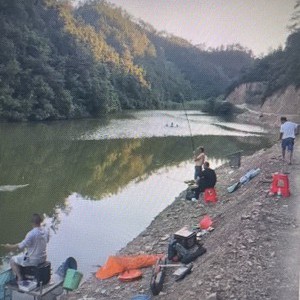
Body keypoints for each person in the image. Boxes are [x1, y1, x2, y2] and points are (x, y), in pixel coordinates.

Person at [1, 213, 49, 282]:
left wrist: (9, 246)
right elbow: (46, 241)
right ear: (40, 221)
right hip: (43, 258)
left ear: (32, 223)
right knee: (23, 256)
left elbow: (20, 246)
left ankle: (20, 278)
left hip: (34, 260)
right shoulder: (46, 231)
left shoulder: (31, 234)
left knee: (12, 260)